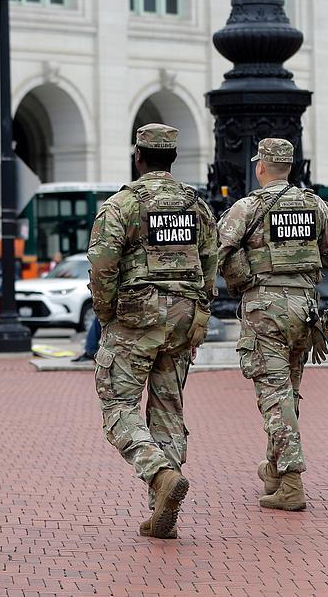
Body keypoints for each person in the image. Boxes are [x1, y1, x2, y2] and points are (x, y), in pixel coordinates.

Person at [87, 123, 218, 539]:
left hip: (136, 318)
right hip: (184, 318)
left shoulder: (123, 204)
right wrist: (199, 314)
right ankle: (162, 509)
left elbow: (103, 267)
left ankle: (160, 474)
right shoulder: (196, 206)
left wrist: (106, 314)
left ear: (138, 157)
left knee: (118, 404)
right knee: (168, 410)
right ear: (173, 158)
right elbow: (210, 264)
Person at [217, 138, 328, 511]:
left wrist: (244, 276)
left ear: (260, 167)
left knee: (275, 396)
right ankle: (274, 471)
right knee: (287, 394)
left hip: (266, 310)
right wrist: (301, 262)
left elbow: (220, 251)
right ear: (290, 167)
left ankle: (291, 483)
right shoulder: (315, 205)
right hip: (304, 310)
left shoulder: (248, 207)